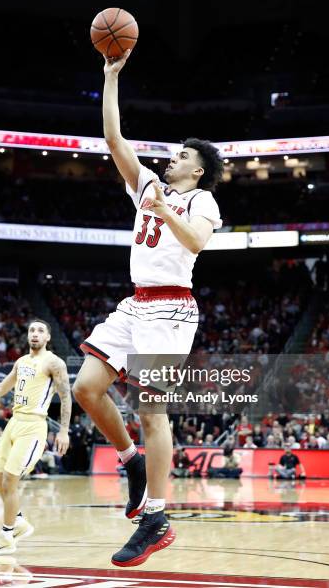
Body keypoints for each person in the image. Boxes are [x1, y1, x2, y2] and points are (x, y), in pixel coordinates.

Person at [73, 49, 222, 567]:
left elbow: (197, 244)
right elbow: (114, 140)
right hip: (135, 303)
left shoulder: (202, 202)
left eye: (182, 155)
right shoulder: (147, 187)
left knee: (151, 408)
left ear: (199, 169)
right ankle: (132, 462)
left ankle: (156, 517)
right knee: (86, 387)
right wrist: (110, 78)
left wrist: (165, 211)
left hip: (172, 308)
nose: (172, 158)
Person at [0, 319, 71, 555]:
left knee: (10, 479)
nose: (35, 334)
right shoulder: (21, 362)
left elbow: (66, 396)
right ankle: (18, 522)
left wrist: (63, 430)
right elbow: (1, 388)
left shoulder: (54, 363)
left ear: (48, 337)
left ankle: (6, 536)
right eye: (31, 330)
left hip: (34, 426)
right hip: (14, 423)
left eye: (40, 330)